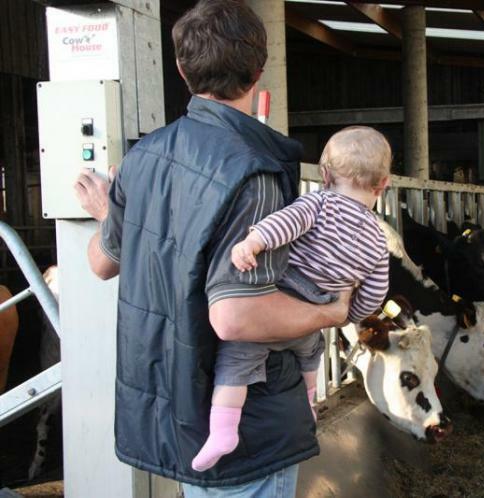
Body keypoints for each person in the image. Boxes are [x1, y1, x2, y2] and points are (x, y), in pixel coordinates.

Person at [73, 0, 350, 496]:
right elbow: (235, 318)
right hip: (245, 428)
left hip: (170, 405)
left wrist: (111, 216)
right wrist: (330, 314)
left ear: (181, 69)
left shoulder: (141, 158)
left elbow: (100, 262)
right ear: (259, 70)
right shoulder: (254, 173)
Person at [192, 127, 391, 472]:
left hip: (281, 302)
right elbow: (376, 291)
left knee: (237, 357)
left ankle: (223, 431)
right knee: (310, 354)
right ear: (384, 184)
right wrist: (344, 315)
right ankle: (310, 404)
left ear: (325, 175)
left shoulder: (320, 202)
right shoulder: (378, 236)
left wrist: (252, 242)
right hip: (316, 316)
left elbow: (285, 222)